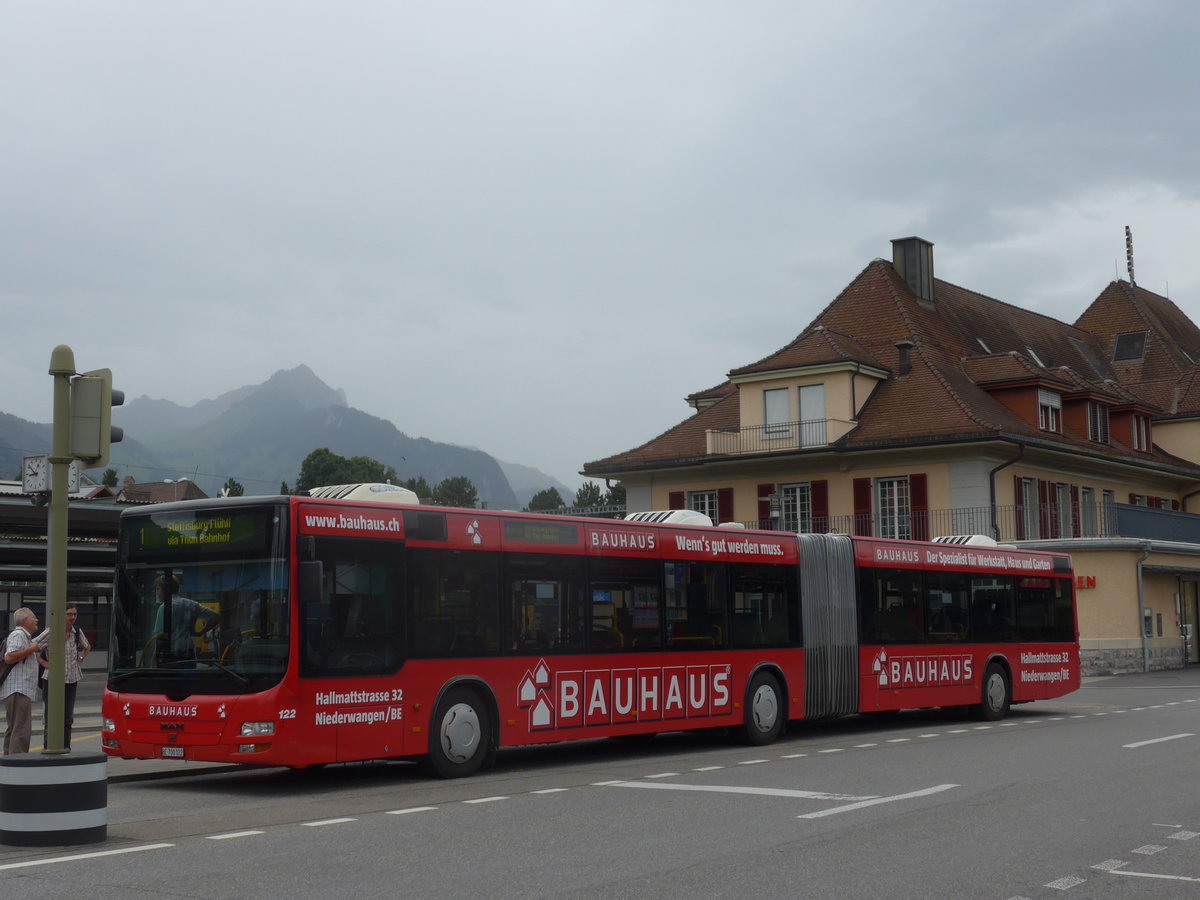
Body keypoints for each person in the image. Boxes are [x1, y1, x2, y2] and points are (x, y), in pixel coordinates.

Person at [34, 603, 91, 747]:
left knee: (67, 717)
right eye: (69, 614)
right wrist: (43, 662)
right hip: (52, 679)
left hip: (72, 678)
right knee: (51, 716)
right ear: (62, 616)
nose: (72, 617)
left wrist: (81, 659)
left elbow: (87, 646)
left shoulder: (77, 632)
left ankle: (66, 747)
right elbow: (32, 646)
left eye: (74, 614)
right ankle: (49, 747)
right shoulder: (51, 632)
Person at [2, 608, 44, 755]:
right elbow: (9, 657)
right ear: (25, 620)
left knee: (14, 727)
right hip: (18, 689)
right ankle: (18, 763)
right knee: (21, 729)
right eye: (34, 617)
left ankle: (9, 762)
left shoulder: (24, 637)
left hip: (17, 690)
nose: (37, 620)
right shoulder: (19, 634)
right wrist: (31, 649)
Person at [153, 575, 220, 659]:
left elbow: (159, 638)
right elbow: (216, 617)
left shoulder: (164, 607)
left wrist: (154, 660)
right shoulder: (191, 604)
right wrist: (200, 633)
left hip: (170, 654)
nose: (156, 593)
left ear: (166, 590)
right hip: (189, 652)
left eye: (158, 589)